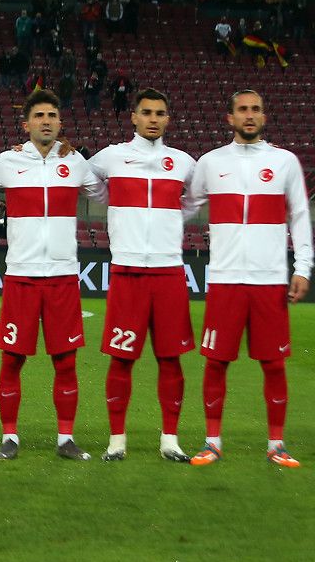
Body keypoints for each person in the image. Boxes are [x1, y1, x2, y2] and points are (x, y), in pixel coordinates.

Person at [0, 89, 106, 461]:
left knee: (65, 361)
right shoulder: (7, 162)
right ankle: (9, 437)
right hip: (22, 277)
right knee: (12, 359)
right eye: (39, 116)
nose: (46, 121)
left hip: (63, 276)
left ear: (60, 123)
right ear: (26, 124)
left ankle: (65, 439)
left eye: (52, 115)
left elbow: (108, 193)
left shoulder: (76, 162)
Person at [185, 90, 311, 468]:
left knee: (273, 364)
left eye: (256, 109)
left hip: (270, 279)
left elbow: (300, 216)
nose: (250, 115)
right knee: (216, 362)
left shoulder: (285, 162)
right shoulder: (210, 163)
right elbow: (185, 208)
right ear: (230, 118)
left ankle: (276, 444)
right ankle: (212, 441)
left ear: (264, 116)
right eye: (243, 110)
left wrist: (302, 267)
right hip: (225, 279)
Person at [87, 88, 196, 462]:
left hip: (168, 271)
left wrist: (167, 224)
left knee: (171, 359)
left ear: (168, 119)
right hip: (128, 271)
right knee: (121, 359)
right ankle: (117, 441)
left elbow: (194, 200)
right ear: (133, 117)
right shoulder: (110, 157)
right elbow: (85, 182)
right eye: (146, 112)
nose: (153, 118)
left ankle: (170, 440)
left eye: (160, 113)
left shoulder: (183, 162)